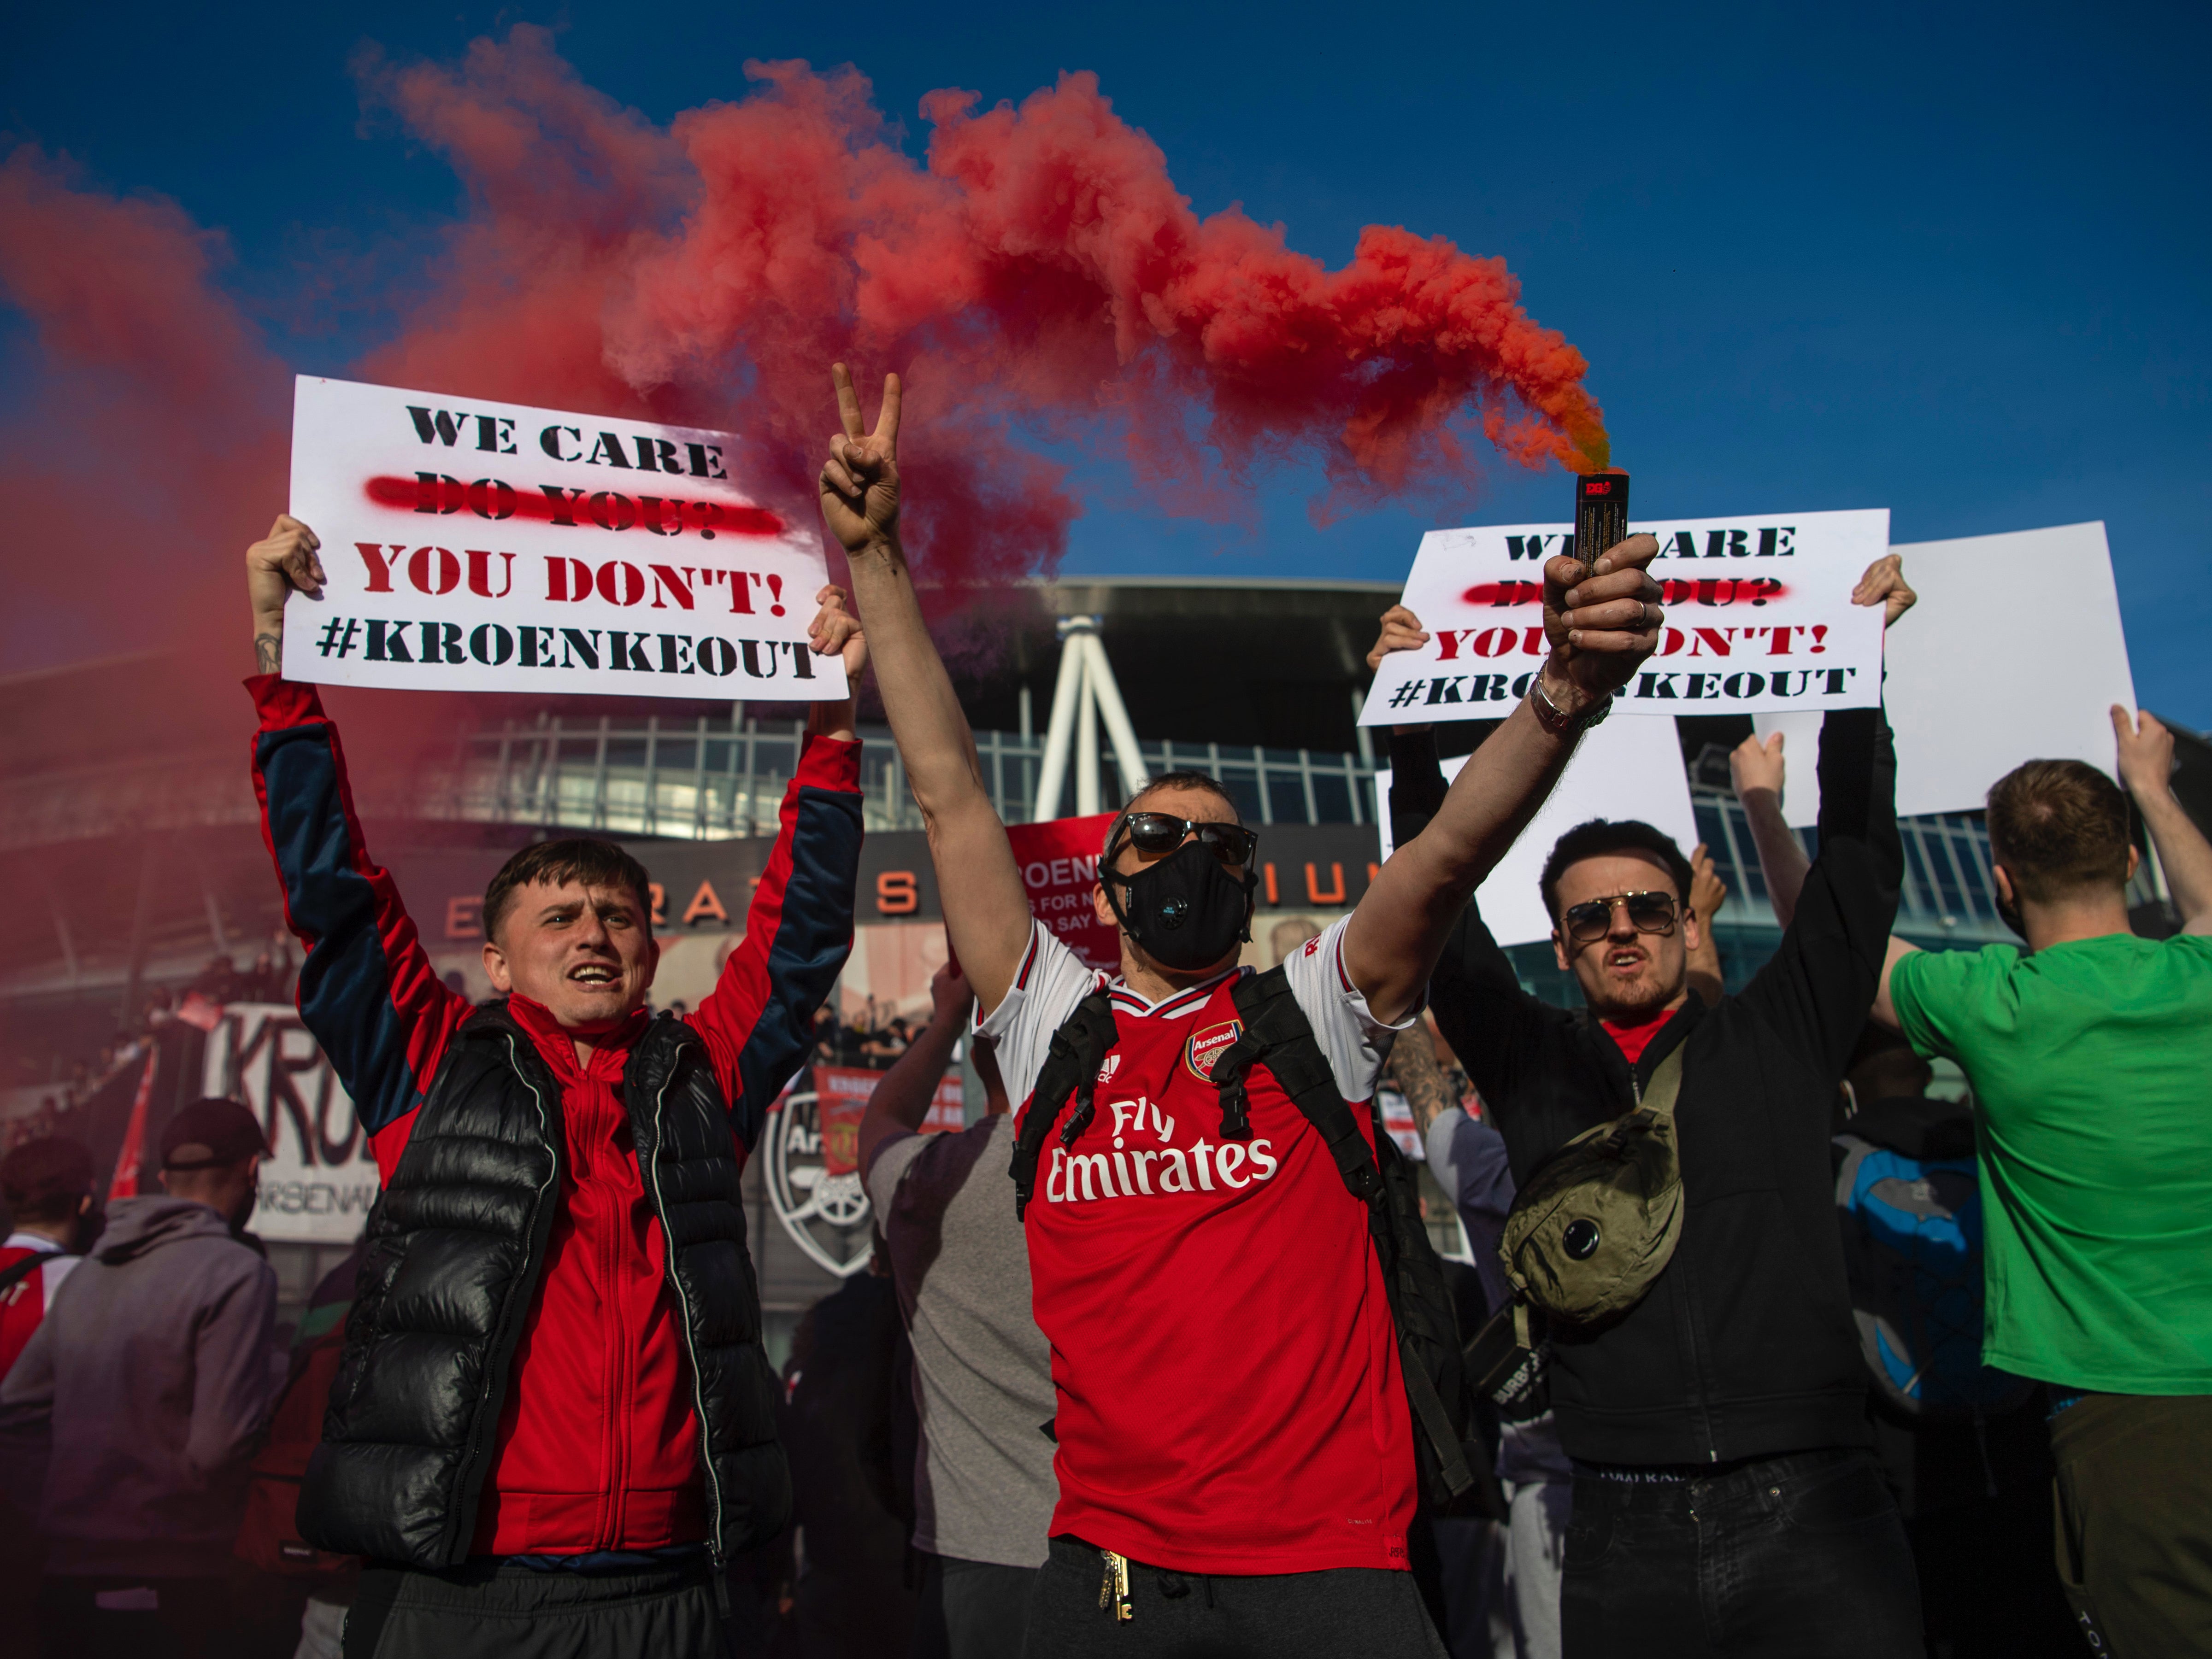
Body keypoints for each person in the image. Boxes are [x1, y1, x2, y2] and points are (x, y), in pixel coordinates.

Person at [820, 362, 1662, 1656]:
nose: (1194, 858)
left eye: (1226, 844)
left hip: (1329, 1573)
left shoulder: (1315, 1011)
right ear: (1105, 879)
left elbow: (1442, 860)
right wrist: (878, 557)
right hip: (1107, 1576)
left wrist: (1563, 694)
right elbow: (948, 792)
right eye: (1159, 835)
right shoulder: (1050, 1020)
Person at [235, 513, 870, 1658]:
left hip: (683, 1588)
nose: (592, 934)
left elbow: (802, 931)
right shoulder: (426, 1062)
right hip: (465, 1590)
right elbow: (333, 894)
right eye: (559, 916)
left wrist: (831, 724)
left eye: (616, 915)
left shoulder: (701, 1072)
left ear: (652, 947)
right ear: (495, 957)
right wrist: (283, 667)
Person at [1378, 556, 1926, 1657]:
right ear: (1563, 944)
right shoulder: (1528, 1058)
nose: (1621, 927)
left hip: (1815, 1501)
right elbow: (1436, 897)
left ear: (1686, 921)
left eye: (1646, 906)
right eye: (1591, 917)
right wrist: (1405, 735)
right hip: (1617, 1519)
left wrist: (1856, 689)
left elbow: (1857, 872)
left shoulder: (1779, 1032)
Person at [1873, 706, 2212, 1656]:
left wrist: (1768, 811)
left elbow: (1834, 942)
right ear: (2134, 862)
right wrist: (2151, 781)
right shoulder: (2202, 973)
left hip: (2128, 1426)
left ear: (2000, 883)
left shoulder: (1992, 1005)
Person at [2, 1098, 281, 1659]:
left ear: (162, 1178)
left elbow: (14, 1413)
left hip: (64, 1578)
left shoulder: (92, 1273)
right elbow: (219, 1445)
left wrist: (69, 1499)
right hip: (176, 1580)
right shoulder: (236, 1273)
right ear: (253, 1170)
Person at [859, 962, 1055, 1659]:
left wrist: (946, 1015)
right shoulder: (1137, 1174)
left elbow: (880, 1122)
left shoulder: (932, 1184)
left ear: (979, 1056)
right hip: (1132, 1548)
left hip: (978, 1560)